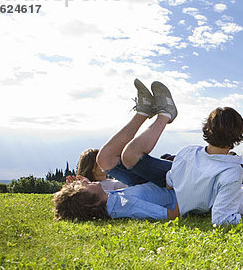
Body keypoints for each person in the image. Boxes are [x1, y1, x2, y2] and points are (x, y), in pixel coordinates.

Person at [54, 79, 180, 221]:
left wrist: (82, 186)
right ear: (92, 202)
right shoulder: (126, 206)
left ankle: (143, 112)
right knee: (130, 155)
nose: (83, 183)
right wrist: (190, 187)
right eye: (82, 188)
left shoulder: (109, 200)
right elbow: (173, 215)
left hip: (153, 185)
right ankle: (165, 115)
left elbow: (99, 191)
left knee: (104, 159)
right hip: (175, 185)